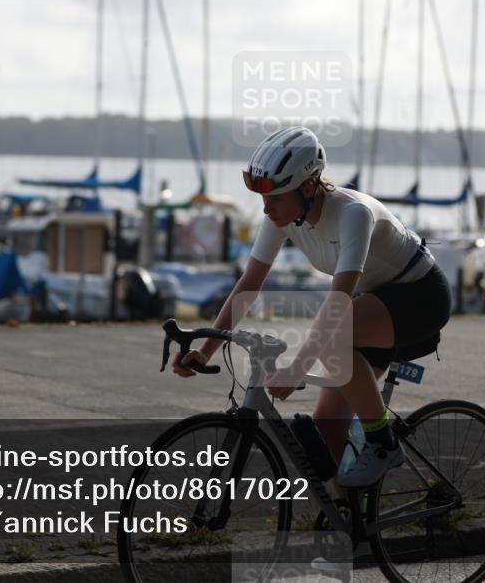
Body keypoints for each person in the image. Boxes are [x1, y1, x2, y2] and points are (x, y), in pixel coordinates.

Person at [172, 126, 452, 487]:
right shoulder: (283, 216)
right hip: (370, 307)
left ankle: (383, 442)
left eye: (274, 196)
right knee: (327, 425)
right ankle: (349, 524)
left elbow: (337, 302)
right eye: (262, 196)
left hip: (420, 296)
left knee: (335, 336)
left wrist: (298, 368)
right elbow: (248, 285)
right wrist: (206, 351)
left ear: (308, 188)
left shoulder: (353, 214)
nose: (265, 207)